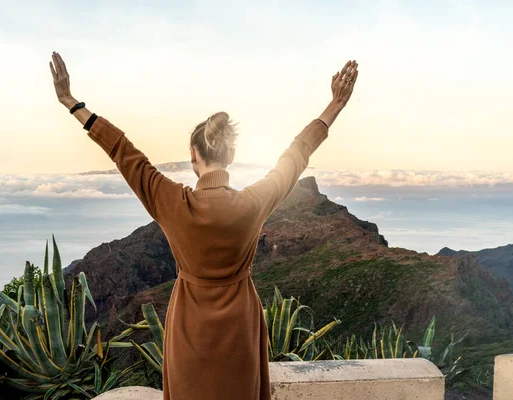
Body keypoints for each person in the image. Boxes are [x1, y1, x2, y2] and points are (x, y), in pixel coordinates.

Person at [49, 52, 358, 400]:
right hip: (241, 329)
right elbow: (296, 155)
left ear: (193, 155)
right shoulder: (253, 203)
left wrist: (70, 101)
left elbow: (123, 150)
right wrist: (334, 105)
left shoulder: (172, 202)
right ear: (231, 157)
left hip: (188, 330)